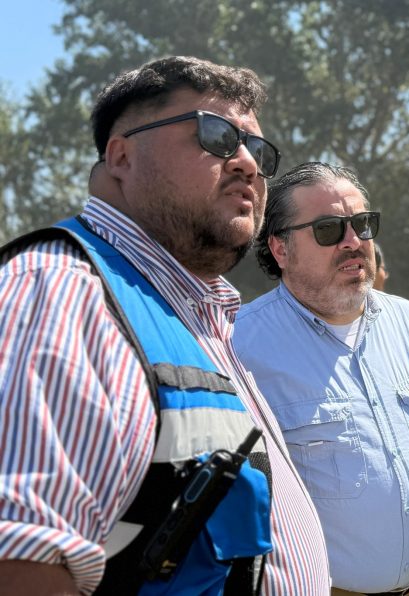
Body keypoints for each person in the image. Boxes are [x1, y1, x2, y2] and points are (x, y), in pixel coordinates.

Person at [0, 56, 330, 595]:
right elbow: (18, 567)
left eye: (258, 150)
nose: (248, 163)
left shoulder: (195, 311)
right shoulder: (61, 293)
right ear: (122, 155)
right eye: (217, 135)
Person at [232, 162, 409, 596]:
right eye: (329, 229)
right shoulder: (240, 345)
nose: (353, 242)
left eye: (363, 225)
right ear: (280, 249)